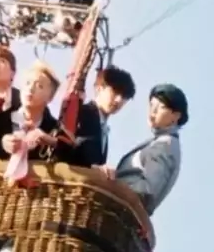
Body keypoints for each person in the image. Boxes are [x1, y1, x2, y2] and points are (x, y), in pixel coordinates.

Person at [0, 61, 61, 252]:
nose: (31, 89)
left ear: (50, 97)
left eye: (40, 86)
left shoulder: (54, 132)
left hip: (28, 212)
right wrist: (1, 145)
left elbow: (74, 160)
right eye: (28, 83)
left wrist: (51, 142)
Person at [115, 83, 188, 215]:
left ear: (176, 115)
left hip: (121, 213)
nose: (153, 112)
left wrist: (113, 189)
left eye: (161, 107)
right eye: (151, 105)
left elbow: (146, 193)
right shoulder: (159, 142)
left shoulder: (165, 145)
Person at [58, 66, 136, 175]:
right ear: (99, 88)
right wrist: (91, 167)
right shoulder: (81, 113)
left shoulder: (103, 127)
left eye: (124, 97)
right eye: (115, 91)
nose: (119, 100)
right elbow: (63, 149)